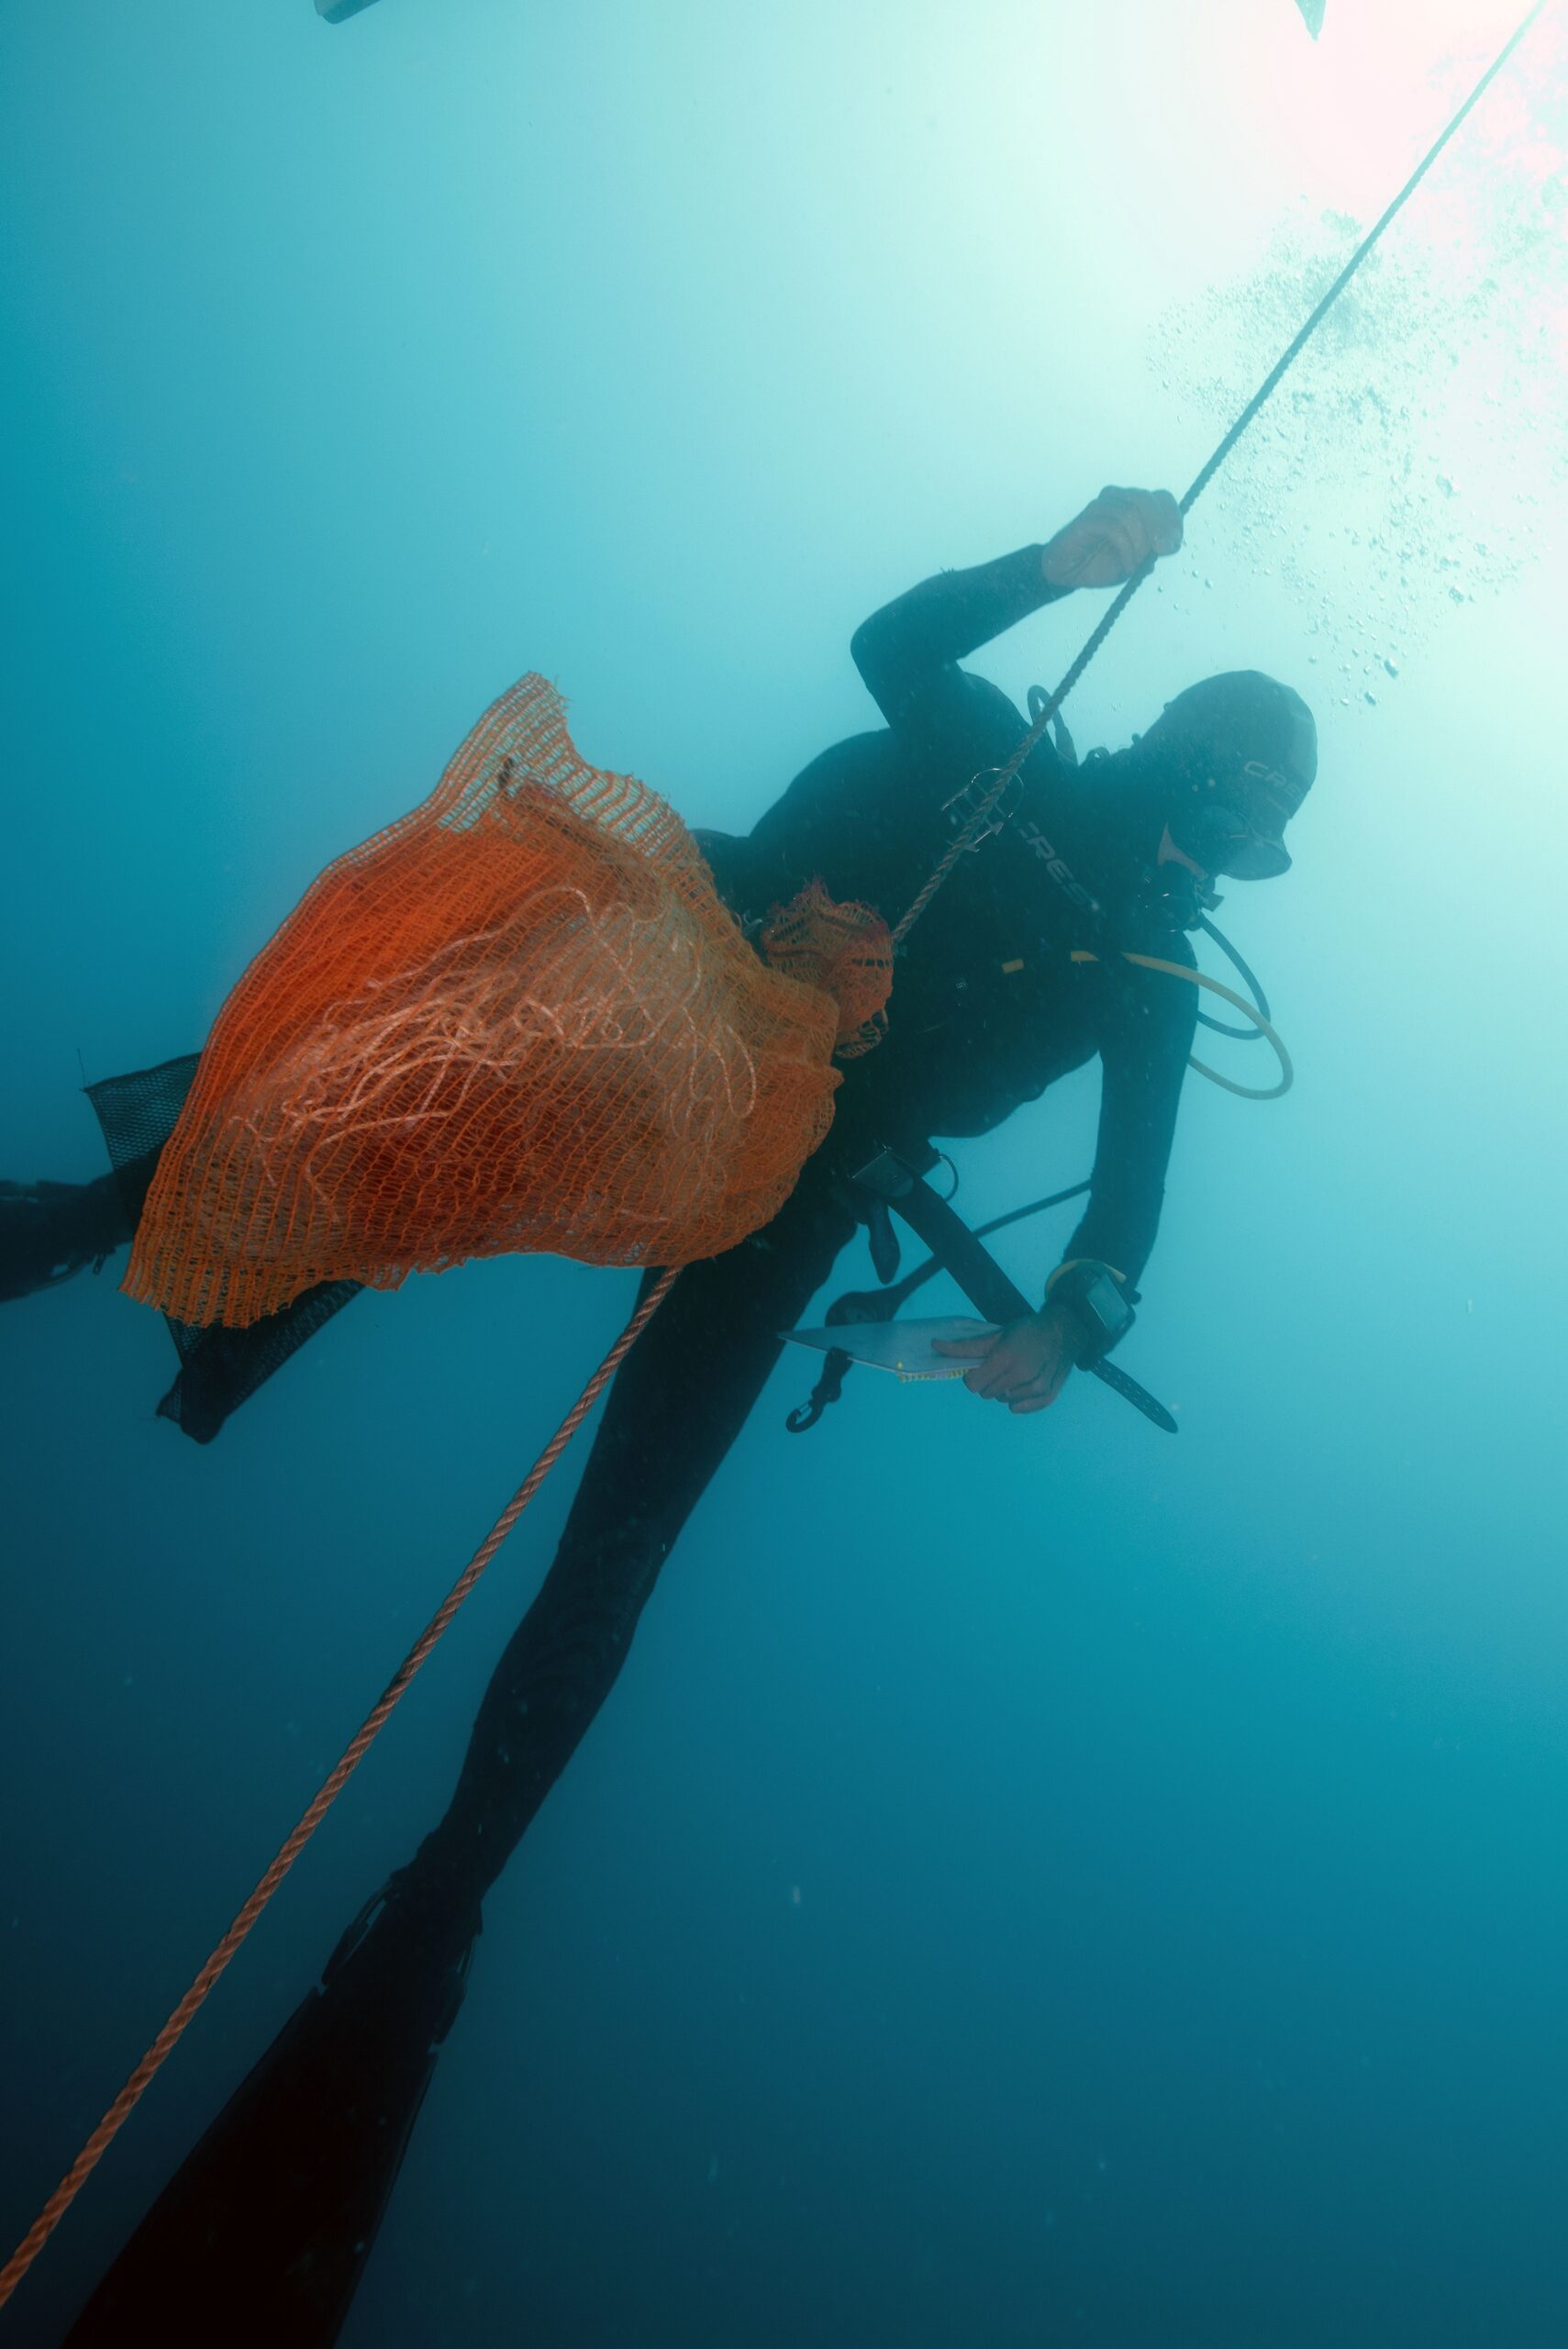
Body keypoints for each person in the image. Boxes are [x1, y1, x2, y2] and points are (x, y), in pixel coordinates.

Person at [45, 486, 1318, 2343]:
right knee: (375, 1142)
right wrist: (1056, 567)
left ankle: (443, 1904)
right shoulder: (1002, 757)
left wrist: (1064, 1320)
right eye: (1212, 798)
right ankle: (86, 1228)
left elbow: (1131, 1201)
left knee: (622, 1542)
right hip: (667, 1007)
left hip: (796, 1173)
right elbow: (897, 650)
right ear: (1172, 753)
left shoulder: (1146, 970)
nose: (1205, 843)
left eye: (1233, 830)